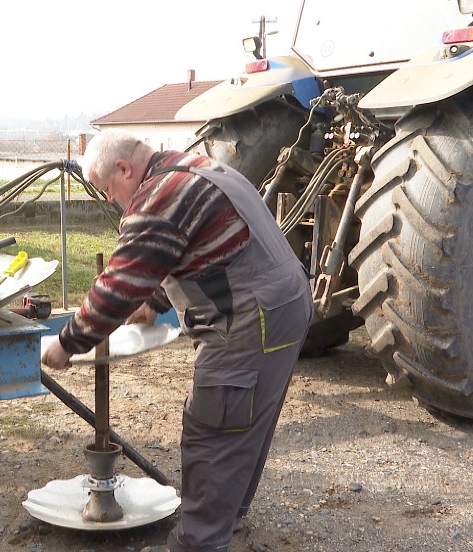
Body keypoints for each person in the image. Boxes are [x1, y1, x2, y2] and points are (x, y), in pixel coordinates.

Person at [41, 128, 313, 551]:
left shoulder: (158, 197)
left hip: (248, 322)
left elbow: (117, 285)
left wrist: (66, 343)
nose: (113, 200)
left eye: (108, 189)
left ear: (124, 168)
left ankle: (199, 542)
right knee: (247, 424)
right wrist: (153, 302)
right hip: (285, 306)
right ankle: (225, 519)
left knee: (214, 428)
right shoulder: (198, 168)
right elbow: (194, 246)